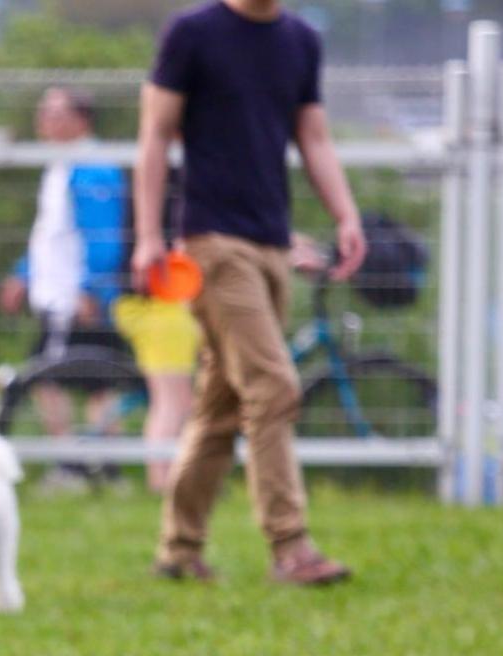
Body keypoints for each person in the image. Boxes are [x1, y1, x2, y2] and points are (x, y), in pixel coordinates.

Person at [133, 0, 365, 586]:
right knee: (273, 385)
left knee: (221, 405)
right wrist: (148, 236)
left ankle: (179, 549)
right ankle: (291, 548)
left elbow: (312, 137)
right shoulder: (192, 33)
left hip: (272, 244)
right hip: (210, 244)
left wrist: (345, 216)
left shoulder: (301, 41)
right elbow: (156, 136)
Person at [0, 86, 132, 493]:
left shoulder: (92, 168)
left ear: (81, 119)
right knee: (91, 381)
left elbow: (105, 235)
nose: (45, 120)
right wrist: (24, 273)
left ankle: (80, 466)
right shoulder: (59, 165)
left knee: (53, 376)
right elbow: (51, 233)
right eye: (43, 112)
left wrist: (91, 289)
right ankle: (100, 466)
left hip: (77, 298)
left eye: (56, 112)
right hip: (57, 294)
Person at [111, 293, 200, 493]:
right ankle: (161, 480)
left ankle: (171, 476)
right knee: (169, 404)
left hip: (165, 314)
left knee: (180, 403)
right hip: (163, 315)